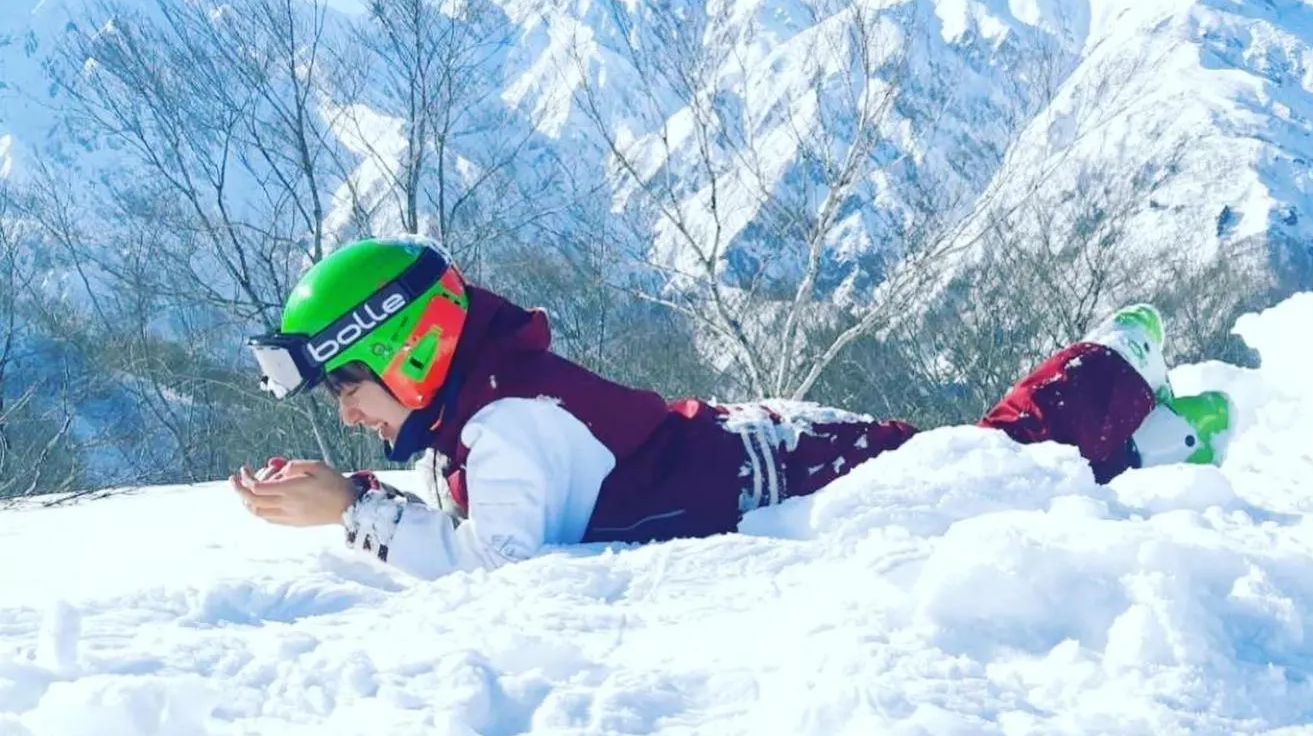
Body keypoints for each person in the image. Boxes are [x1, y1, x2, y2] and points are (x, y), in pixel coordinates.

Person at [233, 237, 1231, 580]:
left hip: (780, 467)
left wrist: (353, 511)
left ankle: (1113, 359)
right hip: (755, 447)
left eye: (348, 384)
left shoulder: (501, 426)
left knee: (987, 465)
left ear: (408, 348)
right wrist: (359, 497)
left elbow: (496, 570)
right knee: (979, 475)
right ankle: (1153, 444)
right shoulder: (483, 402)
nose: (349, 413)